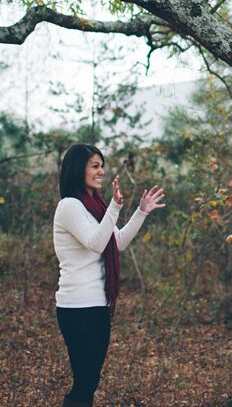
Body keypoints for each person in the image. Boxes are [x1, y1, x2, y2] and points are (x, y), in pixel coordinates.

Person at [53, 143, 166, 407]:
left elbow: (117, 242)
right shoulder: (69, 206)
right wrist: (115, 208)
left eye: (101, 165)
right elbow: (96, 243)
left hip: (98, 305)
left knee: (90, 381)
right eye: (95, 165)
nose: (101, 171)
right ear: (77, 169)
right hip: (77, 307)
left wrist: (140, 212)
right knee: (84, 383)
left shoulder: (95, 205)